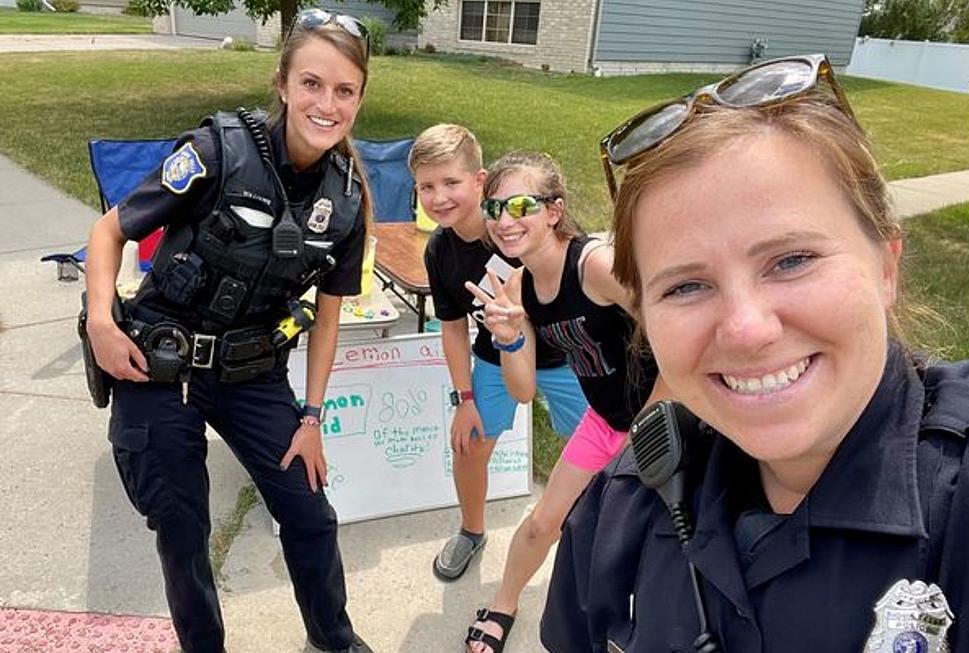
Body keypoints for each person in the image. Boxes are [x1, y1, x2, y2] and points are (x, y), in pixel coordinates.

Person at [540, 54, 969, 652]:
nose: (746, 330)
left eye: (792, 260)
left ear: (886, 265)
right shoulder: (625, 503)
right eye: (686, 286)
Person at [83, 10, 377, 653]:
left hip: (252, 372)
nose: (326, 104)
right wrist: (102, 322)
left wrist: (312, 418)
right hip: (159, 361)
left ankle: (334, 638)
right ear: (282, 82)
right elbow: (110, 231)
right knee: (182, 527)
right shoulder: (218, 149)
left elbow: (329, 313)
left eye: (344, 90)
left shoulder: (349, 199)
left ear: (359, 98)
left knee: (309, 513)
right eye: (311, 83)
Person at [464, 151, 663, 652]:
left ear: (554, 210)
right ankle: (503, 604)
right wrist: (509, 337)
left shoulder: (593, 265)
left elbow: (674, 330)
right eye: (494, 209)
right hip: (604, 421)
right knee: (543, 522)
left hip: (666, 417)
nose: (505, 221)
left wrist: (651, 427)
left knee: (647, 539)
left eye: (521, 206)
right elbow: (523, 390)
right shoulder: (523, 286)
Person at [409, 124, 589, 582]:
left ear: (479, 180)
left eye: (451, 182)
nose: (439, 197)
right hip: (495, 354)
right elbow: (451, 327)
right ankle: (472, 530)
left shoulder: (518, 225)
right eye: (426, 187)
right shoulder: (441, 250)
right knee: (469, 447)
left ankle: (592, 528)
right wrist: (463, 399)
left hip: (566, 354)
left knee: (595, 450)